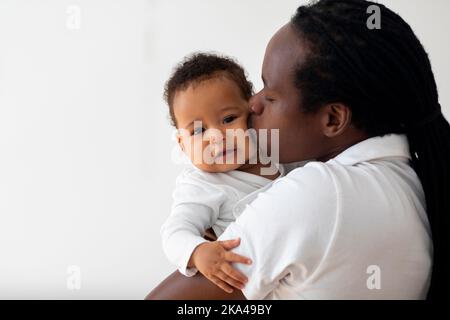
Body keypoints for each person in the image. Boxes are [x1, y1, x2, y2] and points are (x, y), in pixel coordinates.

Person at [147, 0, 450, 300]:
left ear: (332, 119)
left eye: (271, 94)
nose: (253, 104)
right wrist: (195, 249)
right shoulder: (409, 177)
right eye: (197, 130)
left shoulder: (319, 192)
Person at [161, 53, 285, 293]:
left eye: (228, 119)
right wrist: (197, 252)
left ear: (253, 112)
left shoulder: (276, 150)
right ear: (182, 144)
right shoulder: (201, 185)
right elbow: (175, 232)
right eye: (198, 130)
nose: (216, 136)